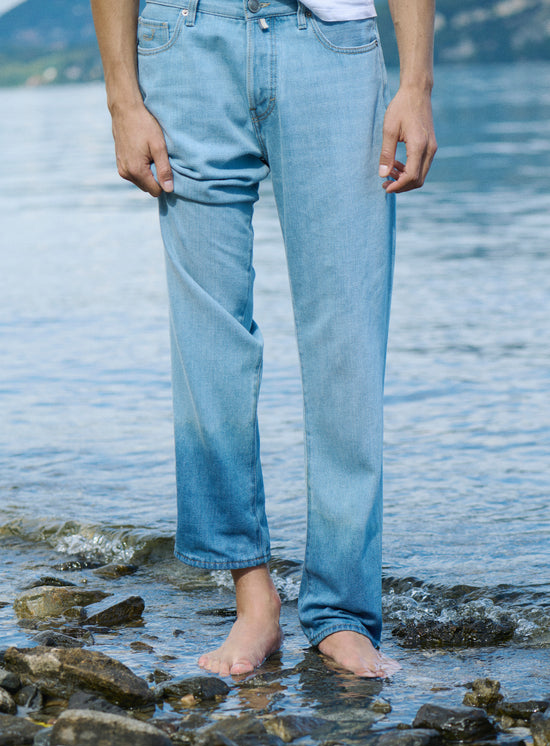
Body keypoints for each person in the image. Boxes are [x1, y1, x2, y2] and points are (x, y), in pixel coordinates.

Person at [91, 0, 436, 679]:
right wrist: (121, 99)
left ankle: (342, 612)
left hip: (331, 45)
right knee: (209, 340)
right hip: (186, 43)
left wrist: (416, 85)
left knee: (348, 341)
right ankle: (254, 598)